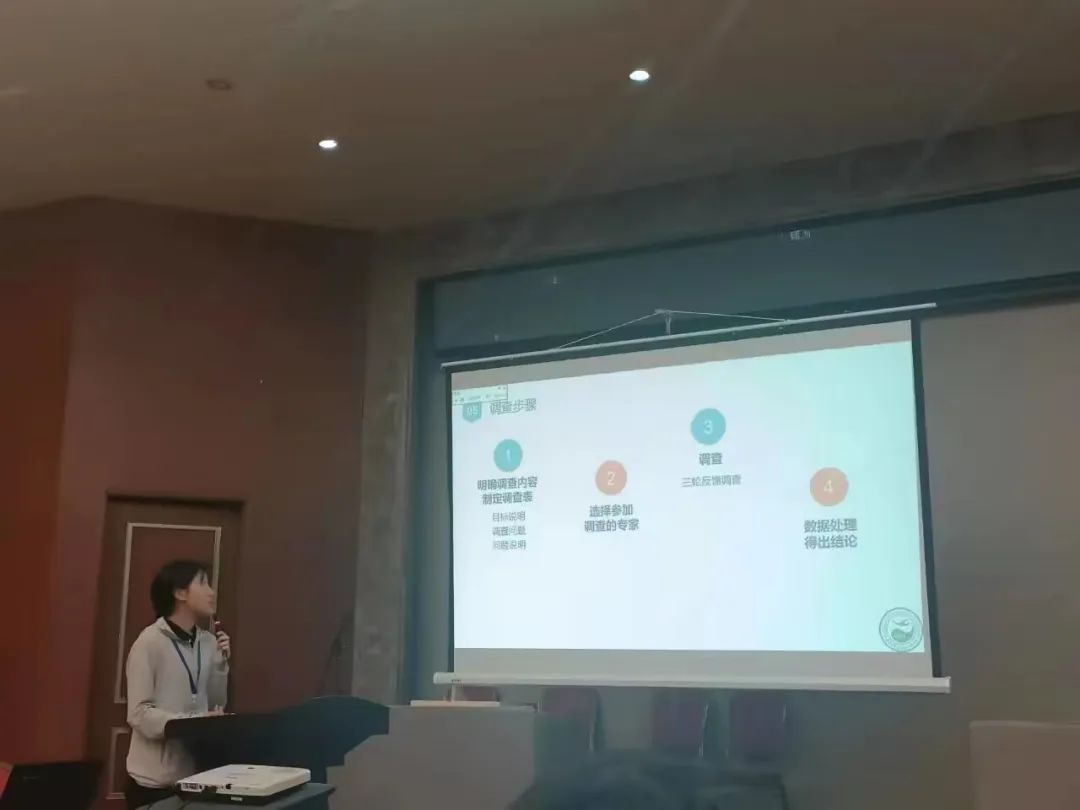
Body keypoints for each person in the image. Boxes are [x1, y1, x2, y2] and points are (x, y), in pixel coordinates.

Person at [124, 560, 231, 809]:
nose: (211, 592)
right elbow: (139, 714)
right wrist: (191, 722)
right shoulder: (149, 642)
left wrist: (220, 664)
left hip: (196, 778)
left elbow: (217, 704)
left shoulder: (208, 642)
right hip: (155, 783)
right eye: (203, 583)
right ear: (180, 593)